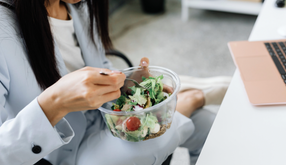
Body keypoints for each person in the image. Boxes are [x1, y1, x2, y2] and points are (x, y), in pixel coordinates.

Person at [0, 0, 230, 165]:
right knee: (145, 143)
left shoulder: (79, 5)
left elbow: (99, 63)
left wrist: (125, 83)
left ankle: (189, 100)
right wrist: (54, 104)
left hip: (107, 118)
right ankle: (190, 100)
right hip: (62, 151)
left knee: (214, 129)